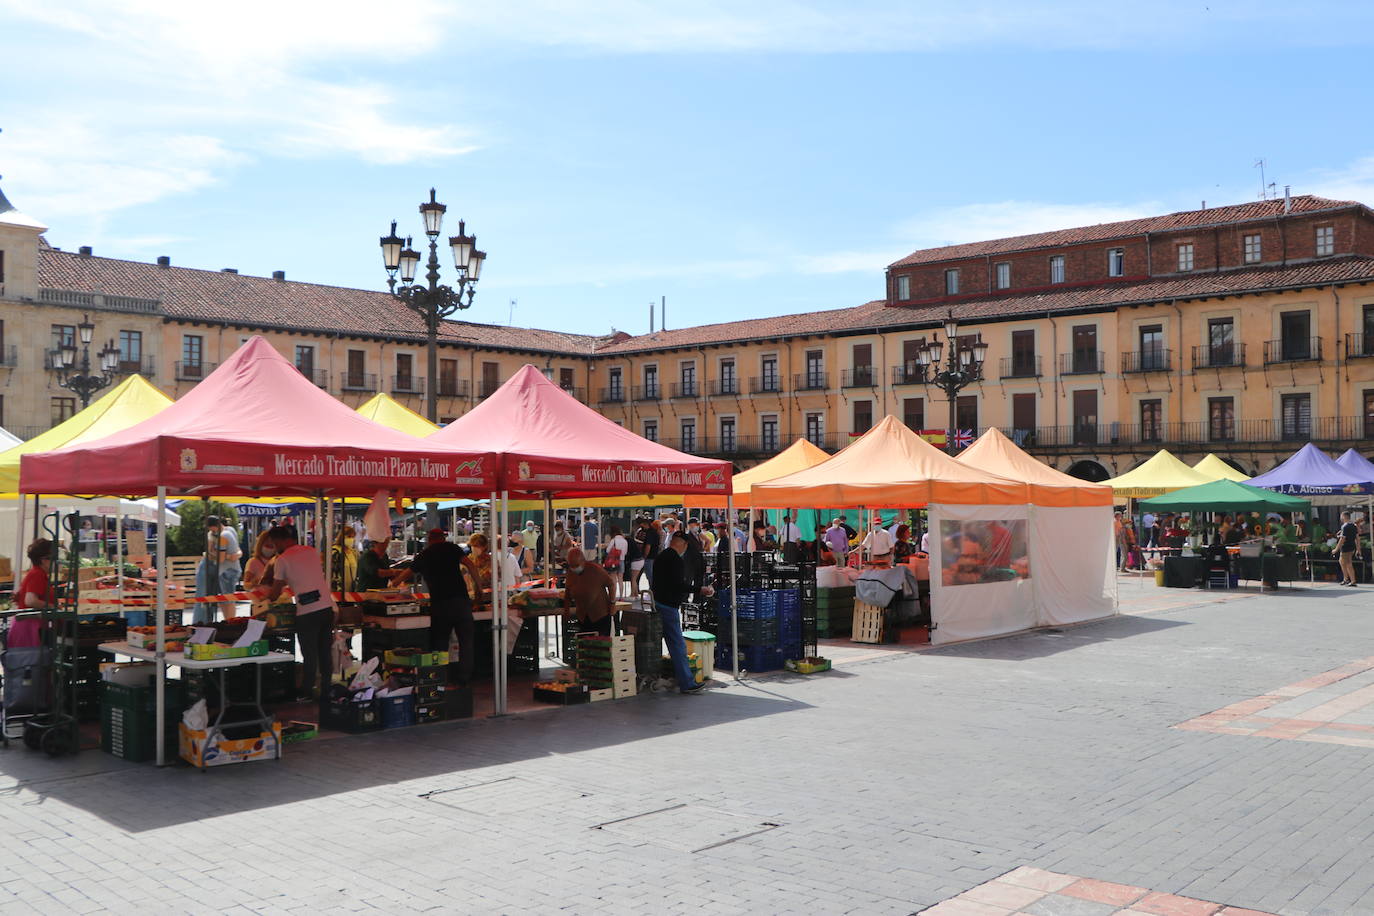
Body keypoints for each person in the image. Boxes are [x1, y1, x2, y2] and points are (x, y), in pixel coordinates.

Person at [260, 526, 335, 701]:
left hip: (307, 612)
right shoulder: (312, 551)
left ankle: (307, 691)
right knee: (324, 652)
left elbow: (276, 590)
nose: (273, 547)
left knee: (309, 654)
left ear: (279, 541)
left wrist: (265, 600)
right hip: (326, 607)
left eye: (273, 543)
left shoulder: (283, 559)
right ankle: (327, 689)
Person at [411, 528, 478, 687]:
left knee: (440, 643)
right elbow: (470, 565)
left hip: (441, 604)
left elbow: (407, 573)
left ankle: (440, 678)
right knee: (466, 643)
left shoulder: (425, 555)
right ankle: (464, 679)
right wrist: (479, 588)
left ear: (429, 539)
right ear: (443, 537)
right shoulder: (452, 548)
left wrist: (394, 581)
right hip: (461, 601)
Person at [651, 530, 709, 694]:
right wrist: (700, 589)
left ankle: (669, 677)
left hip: (658, 603)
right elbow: (678, 585)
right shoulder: (675, 560)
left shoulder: (661, 556)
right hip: (669, 607)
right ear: (683, 545)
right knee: (677, 645)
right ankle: (687, 683)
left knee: (667, 644)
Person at [196, 515, 242, 623]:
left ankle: (230, 623)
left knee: (228, 600)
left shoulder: (222, 536)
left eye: (210, 528)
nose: (210, 530)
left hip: (227, 570)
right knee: (225, 600)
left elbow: (220, 558)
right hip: (231, 569)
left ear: (213, 526)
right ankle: (229, 621)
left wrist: (227, 556)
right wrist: (235, 555)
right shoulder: (230, 530)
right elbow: (237, 549)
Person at [10, 539, 55, 648]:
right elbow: (30, 600)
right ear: (44, 560)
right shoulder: (37, 574)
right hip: (29, 628)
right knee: (32, 662)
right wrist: (53, 607)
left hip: (28, 626)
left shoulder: (37, 573)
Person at [563, 547, 618, 637]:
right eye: (571, 566)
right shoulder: (570, 573)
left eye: (576, 565)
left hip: (600, 615)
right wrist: (566, 610)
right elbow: (567, 593)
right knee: (585, 646)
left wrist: (612, 603)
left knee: (601, 645)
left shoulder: (596, 570)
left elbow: (611, 585)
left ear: (583, 561)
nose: (574, 568)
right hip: (583, 616)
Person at [1334, 511, 1361, 587]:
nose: (1340, 518)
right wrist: (1358, 549)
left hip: (1345, 547)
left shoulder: (1345, 526)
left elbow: (1342, 539)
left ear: (1344, 517)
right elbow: (1357, 538)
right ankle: (1347, 579)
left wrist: (1336, 549)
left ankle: (1351, 580)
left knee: (1348, 564)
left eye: (1341, 516)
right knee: (1342, 562)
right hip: (1351, 547)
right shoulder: (1353, 525)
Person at [634, 515, 661, 589]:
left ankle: (653, 589)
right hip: (651, 556)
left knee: (649, 575)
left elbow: (648, 546)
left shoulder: (650, 533)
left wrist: (644, 556)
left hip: (649, 557)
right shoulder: (652, 532)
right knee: (648, 574)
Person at [331, 525, 359, 593]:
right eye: (349, 537)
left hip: (352, 591)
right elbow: (332, 571)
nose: (351, 539)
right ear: (342, 537)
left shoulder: (354, 552)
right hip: (338, 591)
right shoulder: (335, 551)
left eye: (353, 537)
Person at [603, 525, 629, 597]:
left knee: (613, 578)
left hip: (613, 562)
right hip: (622, 561)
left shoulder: (613, 540)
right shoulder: (624, 541)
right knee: (620, 579)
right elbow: (625, 552)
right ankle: (621, 596)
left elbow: (608, 551)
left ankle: (613, 595)